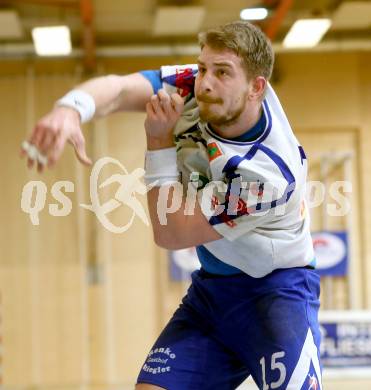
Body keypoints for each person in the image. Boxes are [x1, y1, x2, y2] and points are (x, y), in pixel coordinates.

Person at [21, 21, 322, 390]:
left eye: (222, 72)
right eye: (203, 68)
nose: (205, 83)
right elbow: (117, 89)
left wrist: (159, 141)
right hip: (213, 293)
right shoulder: (198, 87)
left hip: (274, 296)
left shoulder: (267, 176)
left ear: (257, 87)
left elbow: (171, 231)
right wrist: (70, 109)